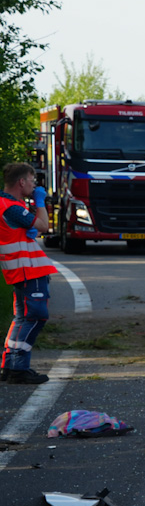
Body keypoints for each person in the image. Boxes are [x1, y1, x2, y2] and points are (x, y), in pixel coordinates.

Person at [0, 162, 56, 385]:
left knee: (22, 318)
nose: (34, 186)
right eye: (32, 182)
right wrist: (40, 202)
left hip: (22, 270)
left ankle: (11, 365)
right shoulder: (11, 207)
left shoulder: (9, 204)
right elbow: (44, 225)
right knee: (36, 316)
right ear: (21, 182)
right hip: (28, 270)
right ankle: (19, 367)